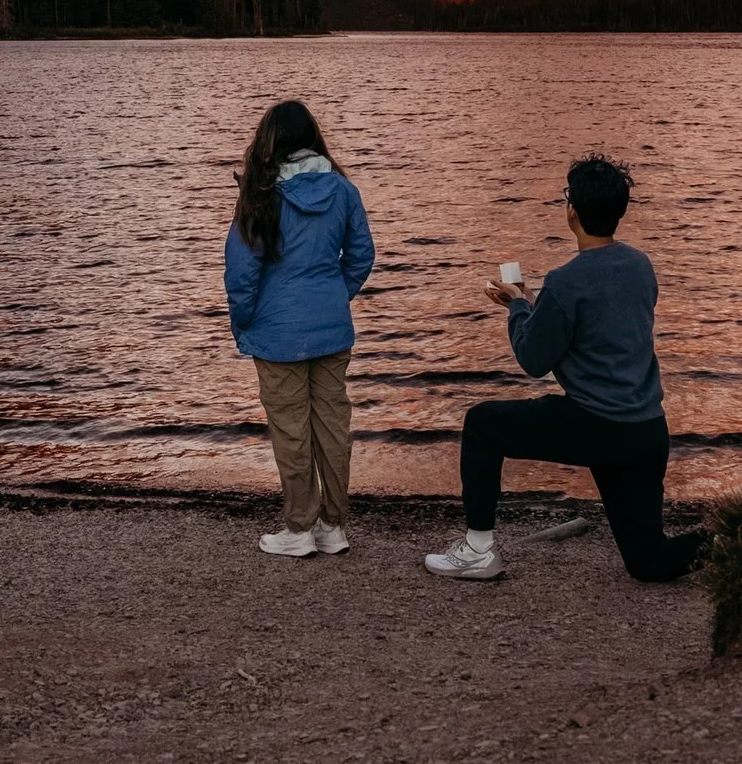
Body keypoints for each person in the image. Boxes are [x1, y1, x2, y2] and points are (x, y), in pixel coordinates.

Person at [424, 154, 703, 583]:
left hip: (595, 425)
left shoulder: (565, 280)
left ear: (572, 210)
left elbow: (534, 361)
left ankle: (478, 550)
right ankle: (732, 536)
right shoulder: (640, 266)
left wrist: (518, 306)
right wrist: (535, 309)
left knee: (481, 424)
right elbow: (598, 329)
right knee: (647, 561)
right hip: (646, 429)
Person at [225, 100, 375, 558]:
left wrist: (244, 321)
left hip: (278, 332)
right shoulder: (344, 190)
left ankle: (298, 529)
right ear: (312, 138)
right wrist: (334, 296)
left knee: (291, 429)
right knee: (333, 425)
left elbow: (240, 273)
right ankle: (334, 527)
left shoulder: (261, 194)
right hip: (331, 327)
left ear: (269, 141)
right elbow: (362, 256)